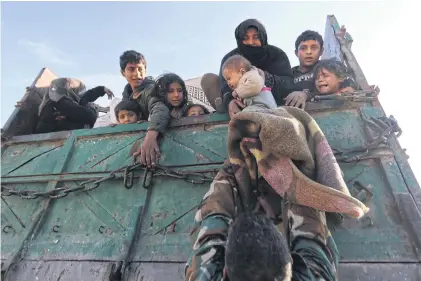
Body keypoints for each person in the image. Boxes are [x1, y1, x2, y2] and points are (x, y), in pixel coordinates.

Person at [201, 19, 302, 117]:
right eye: (245, 38)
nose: (251, 42)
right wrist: (230, 102)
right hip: (241, 105)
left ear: (263, 38)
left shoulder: (276, 54)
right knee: (208, 79)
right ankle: (224, 110)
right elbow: (226, 86)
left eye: (256, 37)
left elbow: (288, 83)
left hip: (272, 104)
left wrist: (264, 78)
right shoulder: (230, 58)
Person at [119, 50, 171, 167]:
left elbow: (160, 109)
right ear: (123, 72)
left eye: (140, 69)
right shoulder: (127, 95)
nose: (137, 74)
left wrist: (150, 137)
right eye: (131, 69)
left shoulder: (150, 89)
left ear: (145, 70)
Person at [36, 77, 114, 134]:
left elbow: (83, 99)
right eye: (70, 85)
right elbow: (89, 116)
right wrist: (94, 111)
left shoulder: (64, 103)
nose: (72, 85)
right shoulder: (58, 104)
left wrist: (101, 89)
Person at [286, 30, 325, 109]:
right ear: (296, 53)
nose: (308, 52)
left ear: (321, 51)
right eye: (303, 48)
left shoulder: (328, 69)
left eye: (314, 48)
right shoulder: (288, 74)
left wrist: (306, 94)